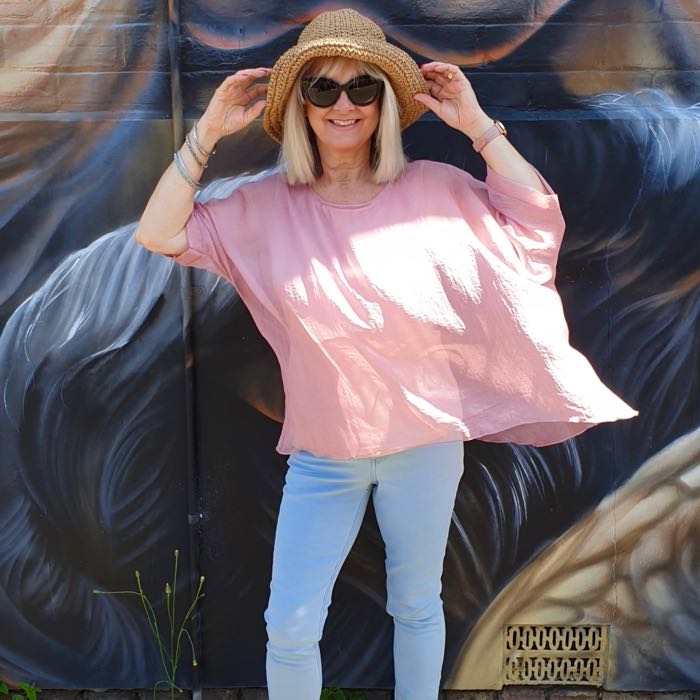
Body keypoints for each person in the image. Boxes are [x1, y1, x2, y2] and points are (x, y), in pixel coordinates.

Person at [134, 8, 637, 699]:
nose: (344, 105)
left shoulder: (435, 190)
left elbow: (534, 217)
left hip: (426, 447)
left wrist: (477, 126)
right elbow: (160, 233)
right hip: (323, 459)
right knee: (290, 623)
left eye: (362, 88)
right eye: (324, 89)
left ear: (384, 104)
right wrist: (206, 135)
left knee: (416, 606)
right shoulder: (263, 206)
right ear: (301, 105)